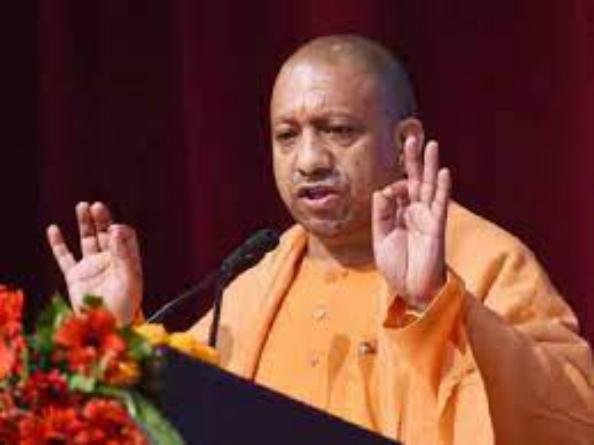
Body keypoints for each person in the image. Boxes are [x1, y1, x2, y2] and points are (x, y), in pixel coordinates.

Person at [46, 35, 594, 444]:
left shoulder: (481, 258)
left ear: (405, 142)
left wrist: (440, 306)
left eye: (337, 130)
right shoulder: (254, 286)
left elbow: (572, 420)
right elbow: (183, 423)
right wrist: (115, 332)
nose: (308, 160)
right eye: (287, 136)